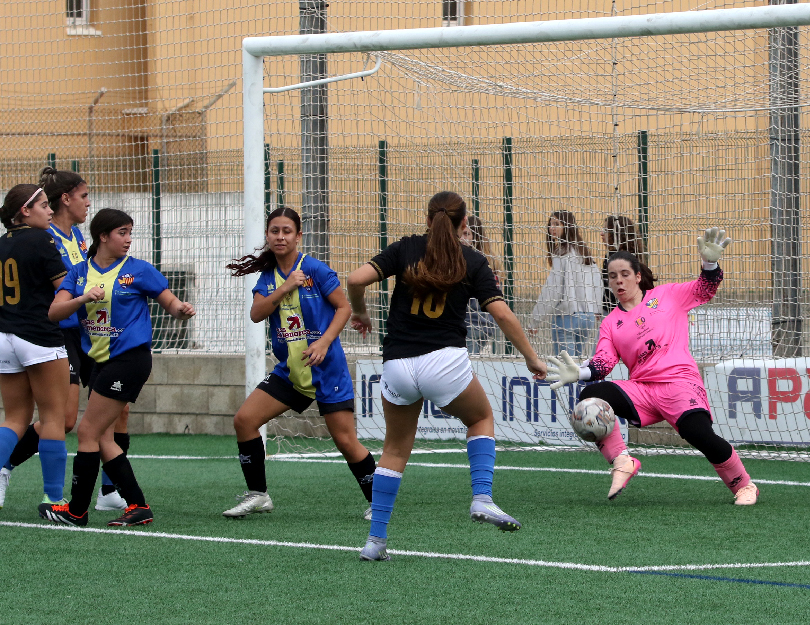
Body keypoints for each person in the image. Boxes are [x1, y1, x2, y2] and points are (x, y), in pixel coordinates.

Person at [346, 191, 546, 561]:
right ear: (464, 224)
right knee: (480, 419)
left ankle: (375, 541)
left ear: (427, 219)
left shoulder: (406, 248)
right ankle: (482, 497)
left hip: (397, 364)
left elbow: (355, 279)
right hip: (445, 362)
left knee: (393, 450)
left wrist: (360, 312)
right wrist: (531, 357)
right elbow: (502, 314)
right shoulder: (472, 259)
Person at [546, 228, 759, 505]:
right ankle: (622, 461)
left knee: (699, 435)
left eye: (625, 274)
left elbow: (704, 289)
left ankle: (744, 486)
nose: (619, 280)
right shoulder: (610, 323)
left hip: (680, 383)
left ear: (637, 276)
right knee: (590, 396)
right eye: (612, 276)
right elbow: (604, 361)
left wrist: (709, 264)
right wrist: (581, 372)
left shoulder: (667, 295)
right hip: (643, 391)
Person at [41, 208, 196, 526]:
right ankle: (138, 505)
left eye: (130, 233)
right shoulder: (79, 272)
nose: (128, 239)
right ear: (102, 236)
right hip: (100, 361)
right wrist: (82, 299)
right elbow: (55, 312)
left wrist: (181, 309)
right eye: (121, 233)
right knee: (103, 438)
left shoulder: (139, 270)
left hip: (129, 360)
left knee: (88, 431)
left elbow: (170, 302)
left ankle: (77, 512)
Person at [223, 207, 376, 519]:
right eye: (274, 231)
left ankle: (379, 502)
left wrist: (323, 342)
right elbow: (256, 314)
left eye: (287, 231)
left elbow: (344, 308)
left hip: (326, 369)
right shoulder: (269, 278)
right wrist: (285, 287)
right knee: (244, 421)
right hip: (291, 372)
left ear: (298, 236)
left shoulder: (316, 269)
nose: (280, 237)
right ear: (268, 236)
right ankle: (258, 495)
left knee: (346, 441)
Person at [0, 168, 129, 512]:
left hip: (86, 331)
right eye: (84, 196)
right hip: (55, 334)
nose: (89, 202)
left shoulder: (77, 237)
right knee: (62, 419)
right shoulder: (46, 238)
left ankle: (109, 490)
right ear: (65, 199)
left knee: (118, 409)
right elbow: (64, 289)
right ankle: (28, 480)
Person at [0, 184, 70, 511]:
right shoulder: (42, 240)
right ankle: (54, 498)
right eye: (43, 205)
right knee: (54, 417)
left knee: (14, 418)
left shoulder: (2, 243)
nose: (51, 211)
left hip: (4, 337)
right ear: (25, 211)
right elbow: (64, 289)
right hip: (39, 336)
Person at [529, 210, 601, 358]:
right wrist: (597, 309)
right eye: (550, 224)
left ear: (567, 226)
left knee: (565, 366)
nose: (552, 228)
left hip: (567, 317)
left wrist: (535, 320)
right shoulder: (583, 251)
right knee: (577, 364)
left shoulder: (561, 253)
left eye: (557, 224)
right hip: (588, 317)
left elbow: (552, 291)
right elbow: (597, 282)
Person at [460, 214, 500, 355]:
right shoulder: (488, 259)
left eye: (466, 234)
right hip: (487, 323)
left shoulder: (472, 261)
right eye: (461, 233)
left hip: (473, 323)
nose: (462, 238)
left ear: (475, 237)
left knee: (469, 361)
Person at [600, 215, 646, 315]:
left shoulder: (613, 257)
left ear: (616, 233)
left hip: (615, 310)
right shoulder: (634, 254)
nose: (601, 233)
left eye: (606, 230)